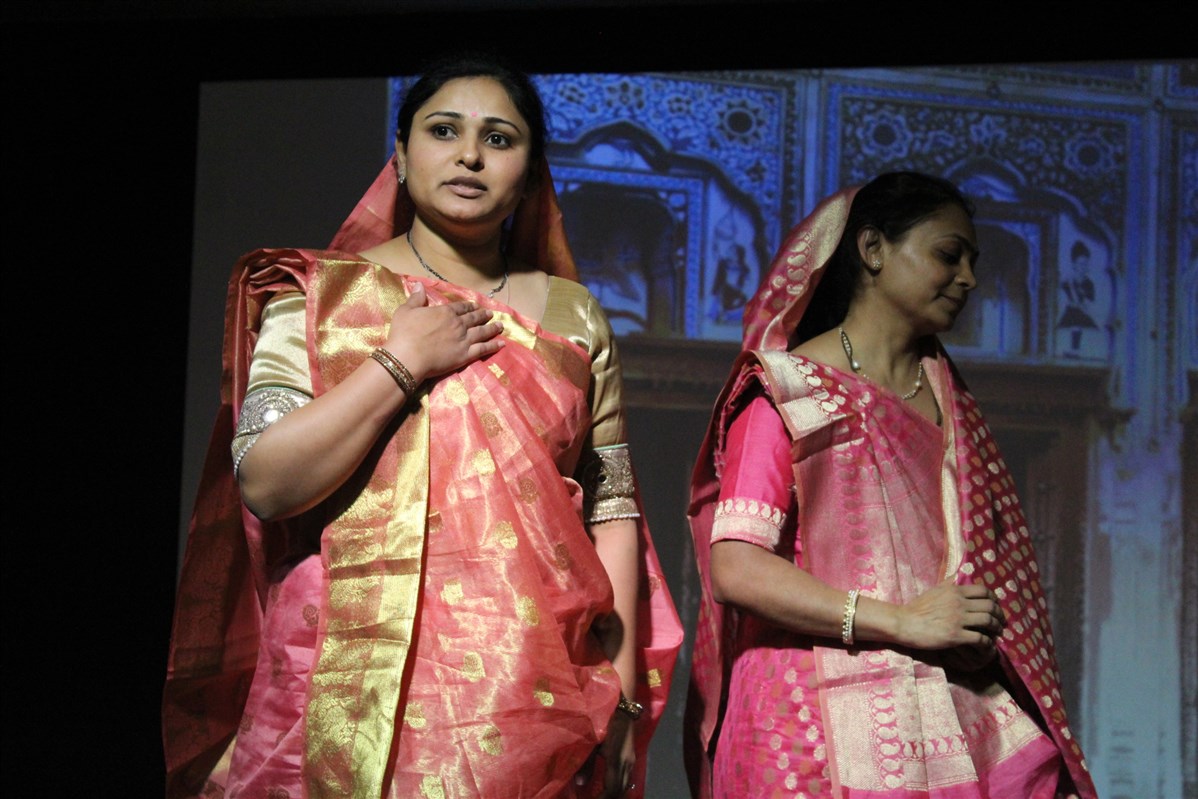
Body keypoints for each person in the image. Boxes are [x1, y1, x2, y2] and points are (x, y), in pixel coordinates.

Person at [164, 52, 682, 799]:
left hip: (531, 689)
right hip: (341, 680)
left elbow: (611, 507)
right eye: (443, 131)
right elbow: (267, 484)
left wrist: (625, 693)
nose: (470, 154)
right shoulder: (318, 298)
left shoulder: (575, 316)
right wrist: (400, 362)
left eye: (499, 138)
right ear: (401, 158)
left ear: (530, 174)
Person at [685, 172, 1096, 798]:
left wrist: (949, 627)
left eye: (973, 261)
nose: (968, 279)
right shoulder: (786, 393)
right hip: (805, 726)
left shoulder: (954, 406)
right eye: (948, 254)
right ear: (873, 249)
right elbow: (737, 568)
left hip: (949, 703)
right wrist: (901, 622)